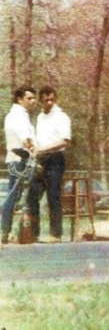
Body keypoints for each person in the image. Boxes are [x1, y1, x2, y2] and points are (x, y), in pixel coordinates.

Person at [28, 86, 71, 243]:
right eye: (46, 100)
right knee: (33, 195)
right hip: (40, 159)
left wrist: (43, 149)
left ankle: (56, 234)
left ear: (56, 99)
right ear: (41, 101)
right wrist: (34, 150)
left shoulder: (62, 117)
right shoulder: (40, 118)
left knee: (53, 195)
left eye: (52, 99)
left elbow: (64, 140)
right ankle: (33, 233)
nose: (49, 102)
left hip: (55, 159)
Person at [2, 85, 37, 244]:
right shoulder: (19, 116)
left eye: (33, 98)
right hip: (19, 158)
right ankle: (5, 230)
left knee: (16, 196)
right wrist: (35, 150)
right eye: (29, 98)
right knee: (13, 196)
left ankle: (10, 230)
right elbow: (26, 140)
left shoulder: (16, 114)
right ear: (19, 99)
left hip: (19, 158)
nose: (33, 101)